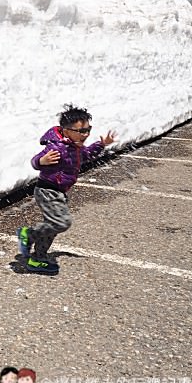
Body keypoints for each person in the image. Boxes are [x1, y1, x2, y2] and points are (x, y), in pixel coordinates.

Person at [17, 104, 116, 274]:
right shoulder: (57, 147)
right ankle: (29, 234)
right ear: (66, 130)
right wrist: (41, 162)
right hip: (47, 191)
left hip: (58, 192)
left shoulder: (74, 147)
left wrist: (101, 144)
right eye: (80, 131)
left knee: (52, 227)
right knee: (61, 222)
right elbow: (35, 160)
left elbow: (87, 155)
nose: (85, 135)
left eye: (87, 130)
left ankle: (37, 258)